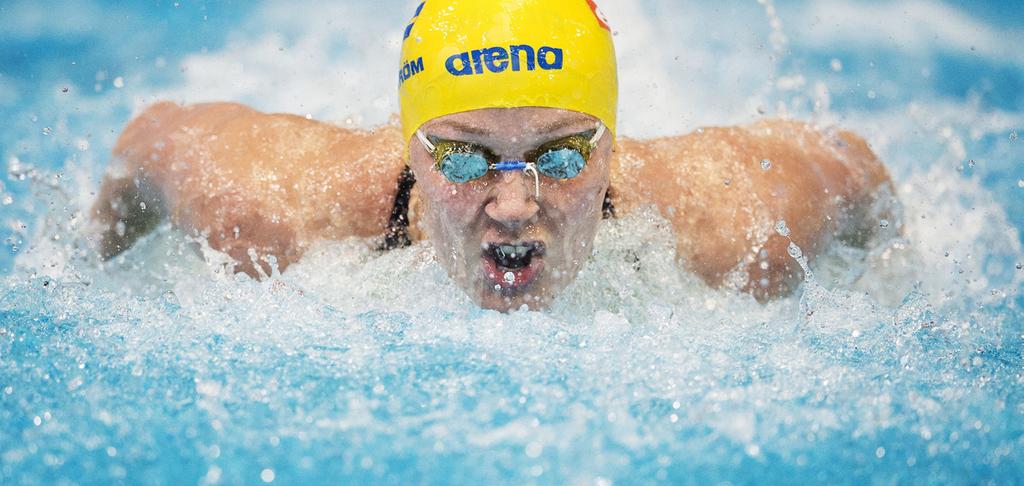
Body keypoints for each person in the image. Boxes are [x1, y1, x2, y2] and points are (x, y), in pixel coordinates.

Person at [90, 0, 897, 312]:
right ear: (409, 143)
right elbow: (152, 135)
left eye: (563, 153)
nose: (514, 206)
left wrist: (897, 276)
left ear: (612, 145)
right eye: (467, 159)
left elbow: (852, 164)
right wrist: (92, 261)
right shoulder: (266, 210)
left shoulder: (740, 228)